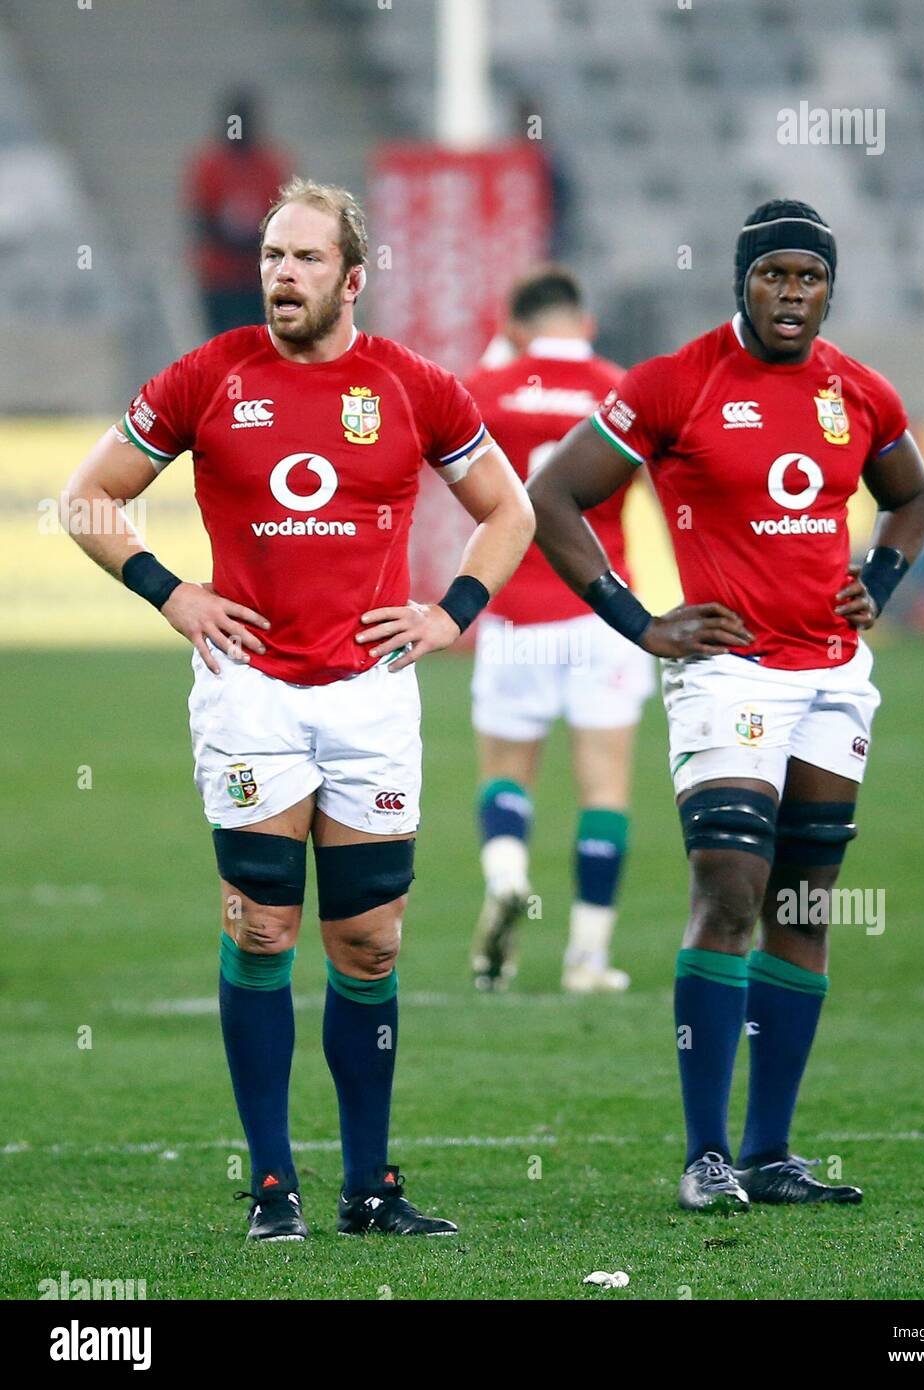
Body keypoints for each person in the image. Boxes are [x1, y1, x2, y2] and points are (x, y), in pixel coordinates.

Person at [63, 178, 534, 1242]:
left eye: (305, 259)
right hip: (250, 694)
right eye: (273, 255)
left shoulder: (413, 386)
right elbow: (89, 497)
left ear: (352, 279)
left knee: (368, 943)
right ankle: (273, 1184)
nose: (281, 273)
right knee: (263, 925)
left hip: (370, 695)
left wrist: (452, 610)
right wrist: (171, 592)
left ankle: (369, 1186)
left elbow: (508, 508)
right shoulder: (206, 375)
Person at [528, 200, 924, 1212]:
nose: (789, 294)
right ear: (739, 281)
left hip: (832, 678)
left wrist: (875, 581)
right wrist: (639, 621)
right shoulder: (675, 382)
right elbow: (551, 494)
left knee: (801, 902)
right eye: (772, 276)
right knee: (728, 885)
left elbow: (910, 495)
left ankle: (768, 1151)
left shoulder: (859, 392)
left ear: (827, 288)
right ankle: (703, 1154)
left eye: (807, 278)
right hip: (728, 672)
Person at [465, 268, 654, 993]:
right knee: (602, 787)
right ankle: (586, 956)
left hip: (514, 613)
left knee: (506, 775)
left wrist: (500, 360)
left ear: (514, 328)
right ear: (586, 322)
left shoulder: (486, 390)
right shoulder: (620, 389)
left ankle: (508, 875)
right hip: (604, 611)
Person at [184, 90, 292, 336]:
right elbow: (201, 219)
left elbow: (284, 219)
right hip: (219, 277)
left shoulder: (270, 166)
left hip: (260, 279)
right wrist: (233, 240)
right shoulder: (210, 166)